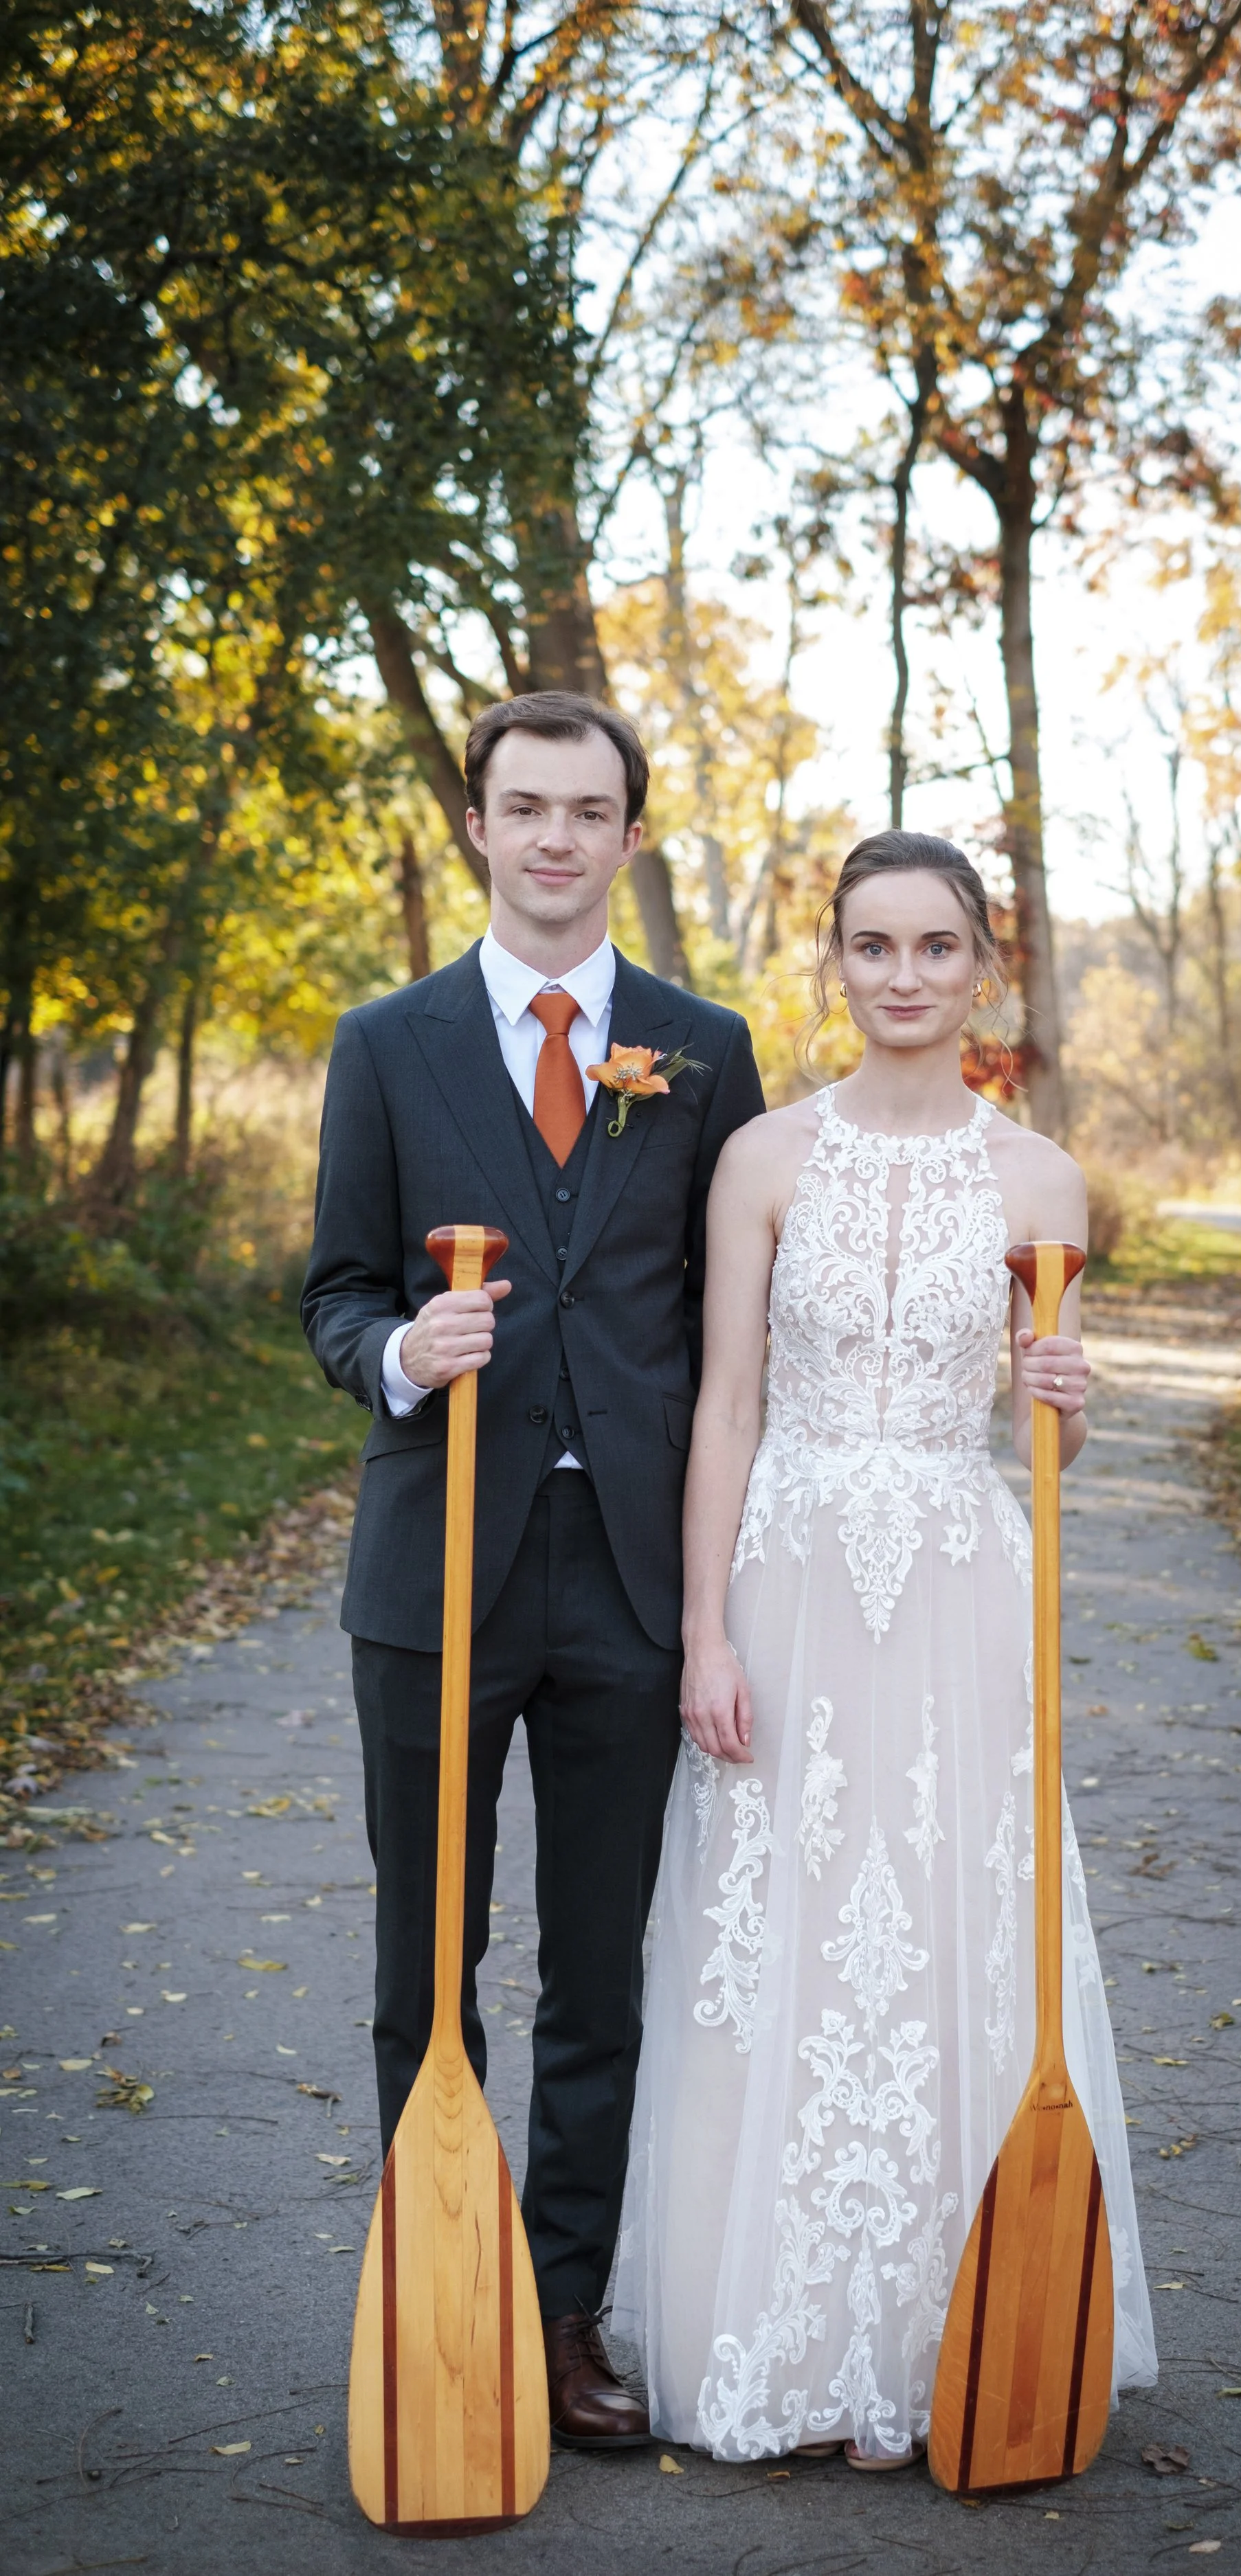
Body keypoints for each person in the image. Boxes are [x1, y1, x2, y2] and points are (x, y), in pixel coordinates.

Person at [609, 831, 1154, 2465]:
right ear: (834, 964)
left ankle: (935, 2341)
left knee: (942, 1935)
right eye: (871, 947)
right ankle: (777, 2329)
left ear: (982, 966)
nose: (902, 976)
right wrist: (704, 1630)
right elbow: (721, 1405)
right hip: (785, 1573)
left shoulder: (1038, 1179)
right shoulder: (762, 1158)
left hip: (954, 1579)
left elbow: (1047, 1446)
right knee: (771, 1940)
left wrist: (1067, 1404)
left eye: (934, 947)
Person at [300, 691, 765, 2448]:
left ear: (628, 840)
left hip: (635, 1581)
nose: (557, 839)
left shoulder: (699, 1045)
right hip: (434, 1573)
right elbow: (335, 1289)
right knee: (425, 1962)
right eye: (526, 808)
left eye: (591, 812)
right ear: (477, 828)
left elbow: (752, 1320)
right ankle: (441, 2294)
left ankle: (563, 2314)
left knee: (598, 1968)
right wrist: (403, 1353)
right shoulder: (388, 1041)